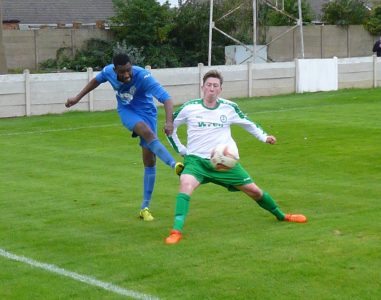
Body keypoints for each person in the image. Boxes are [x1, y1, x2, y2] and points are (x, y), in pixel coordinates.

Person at [165, 69, 307, 244]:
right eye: (208, 85)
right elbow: (169, 127)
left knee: (254, 191)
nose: (211, 88)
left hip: (225, 163)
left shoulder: (229, 107)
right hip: (196, 162)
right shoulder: (189, 107)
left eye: (215, 86)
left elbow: (248, 123)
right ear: (202, 87)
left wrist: (264, 137)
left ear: (220, 90)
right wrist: (182, 150)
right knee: (185, 184)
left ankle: (281, 215)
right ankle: (176, 231)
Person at [65, 53, 184, 221]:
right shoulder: (108, 72)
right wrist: (77, 98)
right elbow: (95, 81)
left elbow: (167, 99)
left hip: (148, 112)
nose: (127, 75)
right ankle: (174, 165)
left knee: (149, 161)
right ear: (115, 70)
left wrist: (169, 122)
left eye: (129, 70)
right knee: (147, 132)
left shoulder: (143, 76)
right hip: (127, 111)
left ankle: (144, 207)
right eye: (122, 72)